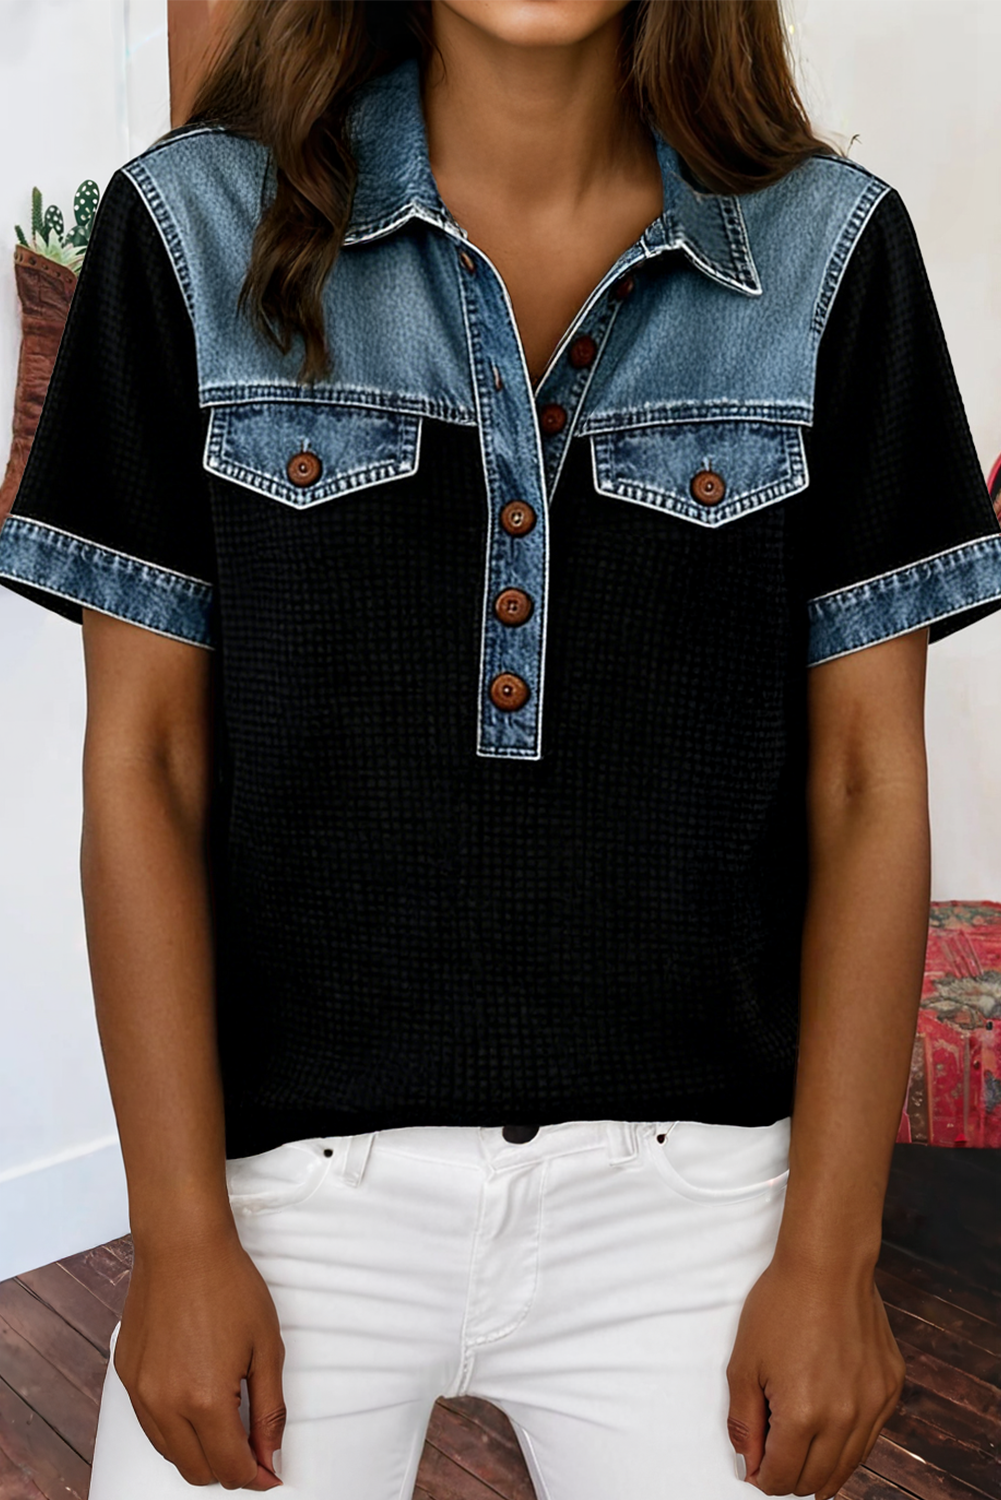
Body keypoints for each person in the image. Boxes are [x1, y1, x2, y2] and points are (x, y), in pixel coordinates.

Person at [2, 1, 1000, 1496]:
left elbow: (867, 786)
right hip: (280, 1200)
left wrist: (831, 1253)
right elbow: (143, 764)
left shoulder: (829, 253)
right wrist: (181, 1234)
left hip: (697, 1205)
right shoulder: (192, 229)